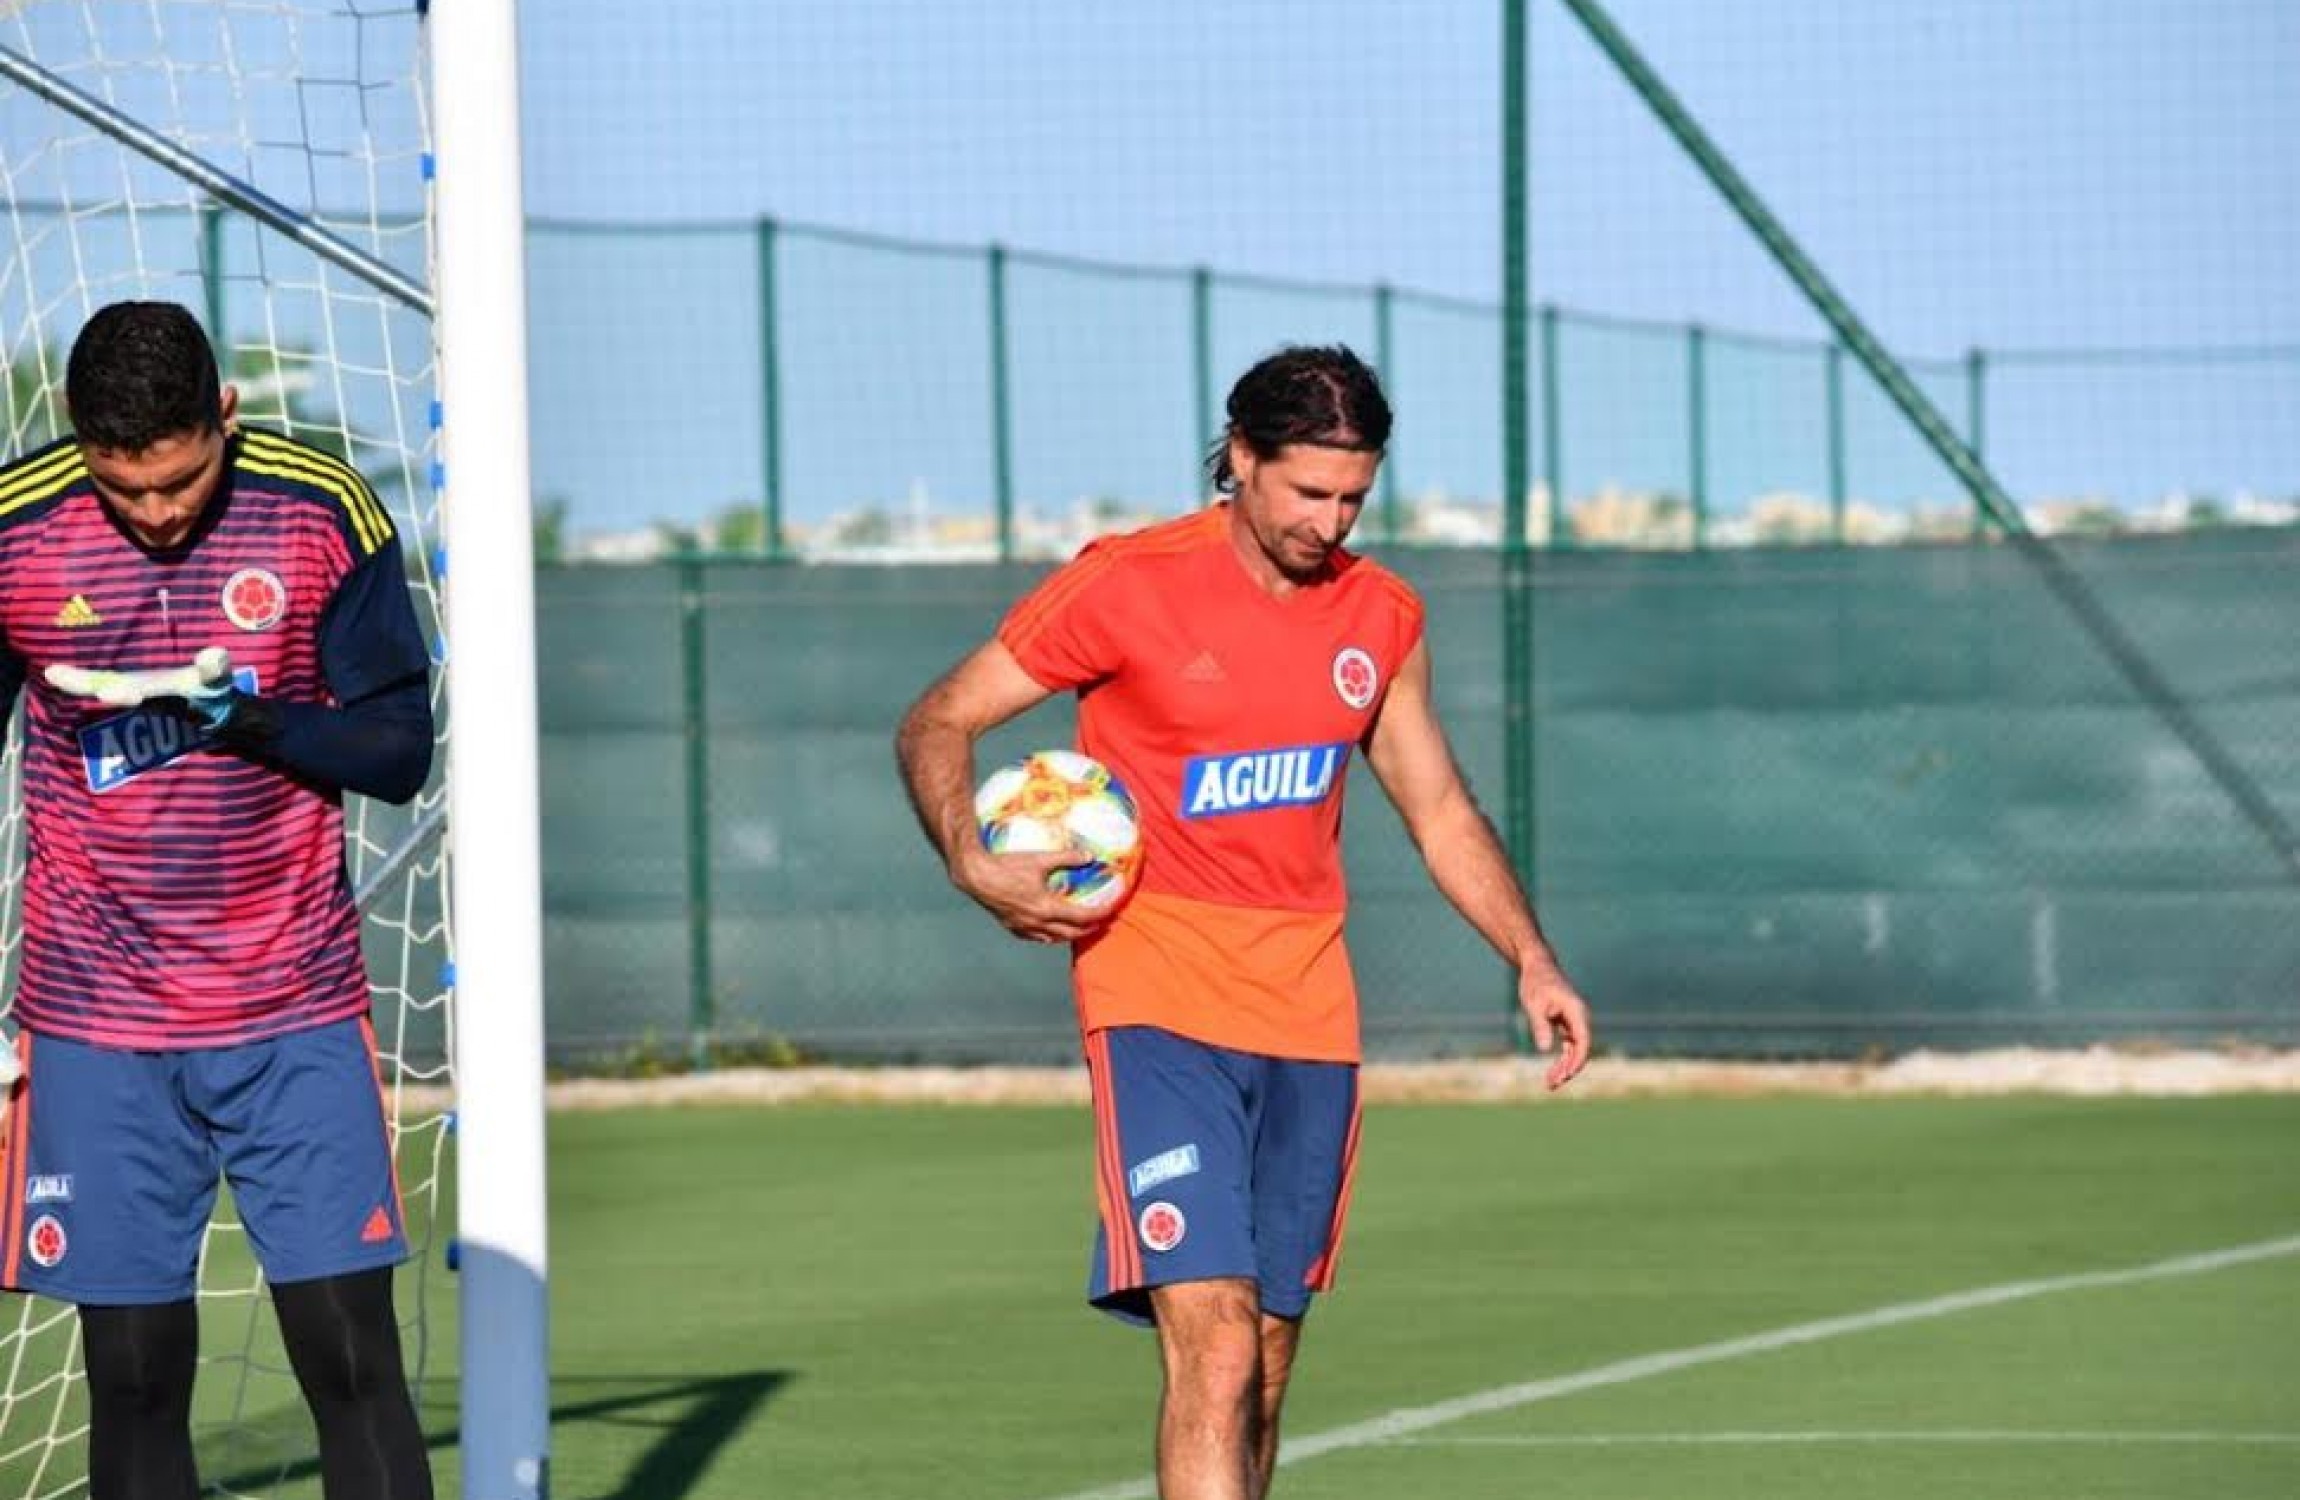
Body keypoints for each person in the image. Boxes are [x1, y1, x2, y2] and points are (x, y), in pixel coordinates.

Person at [895, 344, 1593, 1500]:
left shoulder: (1379, 618)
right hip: (1154, 997)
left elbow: (1436, 808)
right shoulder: (1124, 584)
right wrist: (970, 858)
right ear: (1238, 459)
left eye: (1351, 496)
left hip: (1309, 1015)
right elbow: (937, 721)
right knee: (1212, 1344)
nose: (1329, 520)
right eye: (1306, 491)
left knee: (1265, 1358)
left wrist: (1530, 958)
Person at [0, 301, 435, 1499]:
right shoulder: (13, 531)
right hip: (94, 1017)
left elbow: (400, 753)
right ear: (78, 439)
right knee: (132, 1373)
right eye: (122, 487)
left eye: (180, 481)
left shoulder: (321, 512)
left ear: (224, 418)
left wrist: (245, 718)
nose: (155, 513)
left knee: (349, 1356)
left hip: (293, 1002)